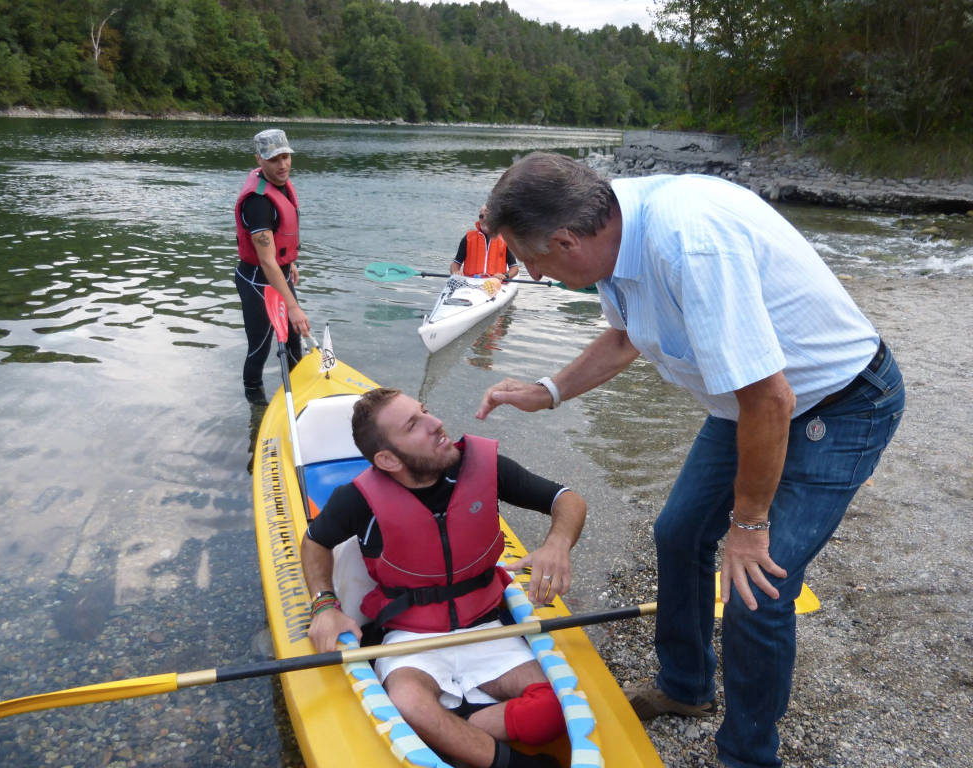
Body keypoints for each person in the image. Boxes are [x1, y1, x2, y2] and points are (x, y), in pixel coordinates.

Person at [474, 152, 905, 768]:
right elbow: (627, 336)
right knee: (678, 534)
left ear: (566, 240)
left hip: (837, 404)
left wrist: (749, 526)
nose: (533, 275)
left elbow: (770, 397)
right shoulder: (607, 226)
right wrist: (550, 391)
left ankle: (747, 756)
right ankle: (685, 687)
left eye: (531, 260)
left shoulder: (689, 247)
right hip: (747, 403)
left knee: (758, 586)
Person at [302, 387, 587, 768]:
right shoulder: (355, 499)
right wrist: (324, 604)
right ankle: (508, 762)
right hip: (409, 639)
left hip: (487, 627)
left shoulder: (484, 468)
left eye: (425, 411)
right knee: (406, 702)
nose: (436, 423)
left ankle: (450, 731)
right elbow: (314, 542)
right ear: (387, 458)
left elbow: (566, 500)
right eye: (414, 425)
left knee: (555, 708)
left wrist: (557, 544)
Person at [234, 128, 311, 405]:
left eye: (285, 157)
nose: (282, 165)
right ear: (259, 160)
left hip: (278, 273)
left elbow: (280, 242)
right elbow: (266, 259)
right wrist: (292, 306)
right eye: (274, 159)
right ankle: (256, 405)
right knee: (261, 346)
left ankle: (298, 397)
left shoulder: (280, 185)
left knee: (293, 339)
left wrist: (290, 261)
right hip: (257, 280)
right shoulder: (257, 202)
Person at [451, 205, 520, 281]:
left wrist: (505, 275)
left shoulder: (505, 240)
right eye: (481, 216)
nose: (484, 219)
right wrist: (456, 272)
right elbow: (456, 263)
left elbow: (514, 268)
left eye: (488, 216)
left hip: (495, 283)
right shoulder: (468, 238)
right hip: (470, 281)